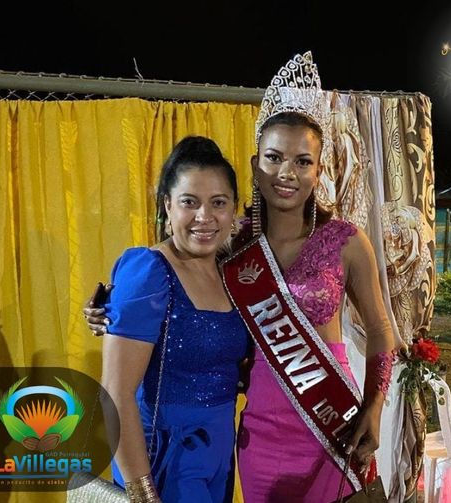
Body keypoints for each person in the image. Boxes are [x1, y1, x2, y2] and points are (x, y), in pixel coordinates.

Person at [86, 52, 398, 502]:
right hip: (259, 431)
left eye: (302, 161)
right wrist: (109, 310)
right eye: (274, 157)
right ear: (255, 166)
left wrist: (374, 406)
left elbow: (382, 329)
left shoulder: (347, 241)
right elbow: (170, 286)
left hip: (331, 419)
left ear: (319, 170)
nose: (287, 172)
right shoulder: (232, 247)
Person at [91, 136, 249, 503]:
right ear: (167, 205)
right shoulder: (149, 271)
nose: (204, 217)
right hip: (164, 458)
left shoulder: (231, 271)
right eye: (189, 202)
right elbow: (115, 394)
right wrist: (143, 493)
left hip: (218, 452)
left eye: (218, 203)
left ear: (234, 210)